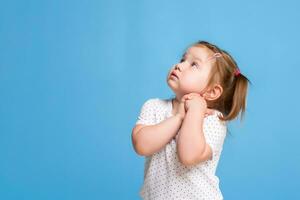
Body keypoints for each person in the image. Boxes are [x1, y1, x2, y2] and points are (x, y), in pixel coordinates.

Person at [131, 40, 251, 200]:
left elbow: (188, 156)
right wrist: (179, 117)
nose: (179, 66)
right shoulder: (154, 106)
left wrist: (195, 110)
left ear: (212, 91)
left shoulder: (213, 120)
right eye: (182, 60)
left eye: (194, 64)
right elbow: (142, 145)